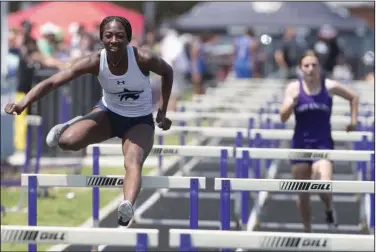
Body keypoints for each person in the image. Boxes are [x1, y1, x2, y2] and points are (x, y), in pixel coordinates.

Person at [4, 16, 173, 227]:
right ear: (101, 38)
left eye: (119, 36)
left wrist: (162, 112)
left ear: (128, 39)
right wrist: (23, 102)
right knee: (67, 142)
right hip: (108, 115)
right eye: (108, 35)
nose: (113, 40)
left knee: (133, 161)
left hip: (139, 121)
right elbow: (54, 81)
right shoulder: (95, 61)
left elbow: (168, 72)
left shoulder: (142, 58)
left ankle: (127, 205)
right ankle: (75, 123)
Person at [279, 50, 358, 233]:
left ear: (319, 67)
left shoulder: (328, 86)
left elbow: (353, 97)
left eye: (314, 65)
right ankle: (308, 231)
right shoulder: (293, 88)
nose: (310, 69)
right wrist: (291, 104)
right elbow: (282, 117)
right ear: (300, 69)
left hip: (323, 144)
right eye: (306, 66)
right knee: (303, 194)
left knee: (323, 184)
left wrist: (353, 121)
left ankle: (329, 209)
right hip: (300, 145)